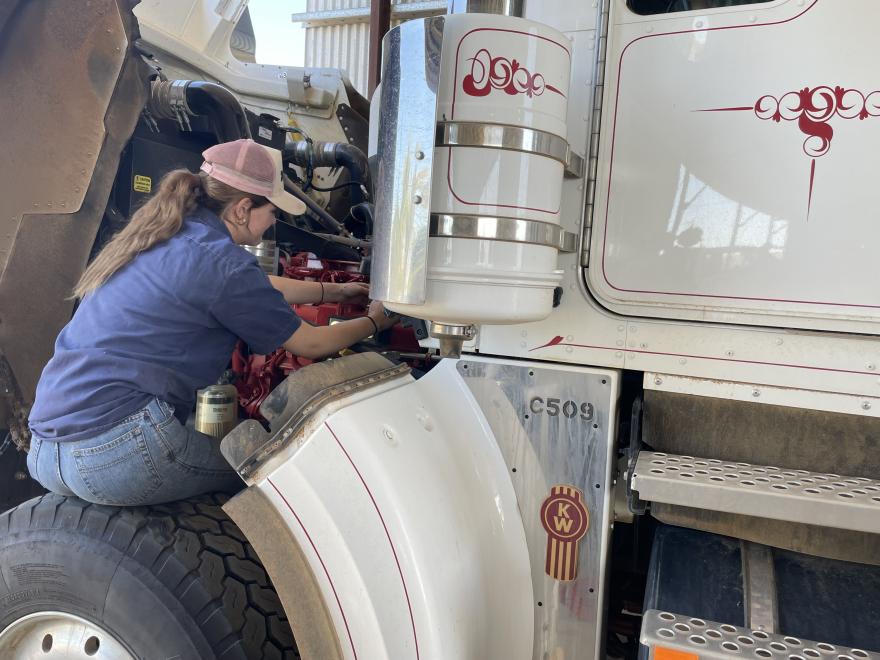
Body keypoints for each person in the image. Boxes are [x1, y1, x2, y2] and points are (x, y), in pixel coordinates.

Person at [26, 138, 397, 506]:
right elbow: (310, 344)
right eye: (273, 212)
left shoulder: (162, 233)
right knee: (267, 473)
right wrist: (376, 320)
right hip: (115, 453)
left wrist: (332, 292)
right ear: (242, 209)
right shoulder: (223, 263)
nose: (273, 223)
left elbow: (253, 284)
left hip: (46, 448)